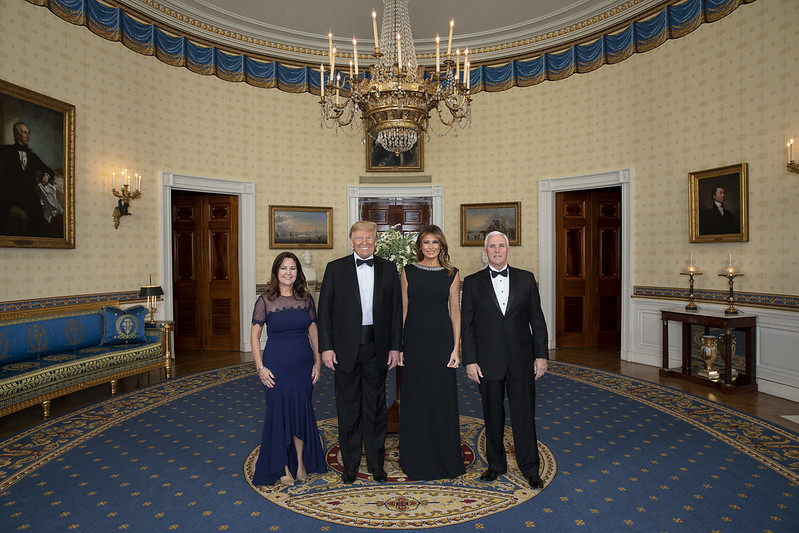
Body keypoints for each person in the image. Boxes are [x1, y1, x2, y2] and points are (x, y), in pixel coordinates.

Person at [461, 231, 549, 490]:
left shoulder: (526, 279)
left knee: (524, 415)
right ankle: (495, 465)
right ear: (485, 251)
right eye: (492, 247)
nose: (497, 250)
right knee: (492, 415)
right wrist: (470, 360)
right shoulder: (473, 282)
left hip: (522, 359)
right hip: (487, 362)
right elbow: (467, 325)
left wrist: (541, 354)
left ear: (509, 250)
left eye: (501, 246)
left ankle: (530, 468)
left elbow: (538, 321)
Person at [317, 220, 402, 484]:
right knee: (349, 408)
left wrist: (395, 347)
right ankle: (350, 465)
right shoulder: (335, 268)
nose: (365, 242)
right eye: (360, 238)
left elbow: (397, 311)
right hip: (344, 350)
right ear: (351, 241)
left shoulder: (389, 269)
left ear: (376, 240)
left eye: (369, 238)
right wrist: (326, 347)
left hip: (377, 348)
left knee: (375, 409)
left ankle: (377, 465)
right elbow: (324, 312)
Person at [251, 252, 326, 487]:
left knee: (301, 413)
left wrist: (318, 362)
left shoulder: (306, 299)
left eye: (292, 268)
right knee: (280, 416)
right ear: (276, 272)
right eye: (283, 268)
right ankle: (282, 467)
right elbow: (254, 336)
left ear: (298, 272)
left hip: (303, 366)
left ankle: (301, 464)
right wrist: (260, 367)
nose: (288, 272)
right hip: (276, 366)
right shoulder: (265, 301)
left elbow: (314, 331)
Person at [398, 225, 465, 480]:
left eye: (435, 242)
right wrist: (401, 344)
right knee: (415, 399)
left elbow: (455, 312)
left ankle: (444, 456)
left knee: (440, 398)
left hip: (440, 342)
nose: (430, 247)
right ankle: (415, 457)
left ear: (442, 246)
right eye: (426, 242)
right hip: (414, 342)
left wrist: (456, 348)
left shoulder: (452, 273)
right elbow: (403, 310)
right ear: (420, 246)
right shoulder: (407, 272)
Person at [0, 121, 54, 236]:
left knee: (39, 215)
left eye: (28, 133)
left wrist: (46, 175)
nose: (28, 136)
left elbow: (48, 170)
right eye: (24, 133)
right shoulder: (5, 150)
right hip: (9, 194)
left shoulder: (32, 156)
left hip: (27, 196)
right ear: (16, 134)